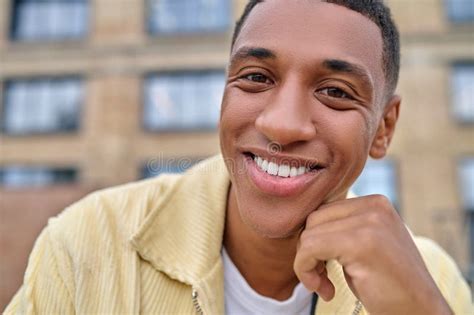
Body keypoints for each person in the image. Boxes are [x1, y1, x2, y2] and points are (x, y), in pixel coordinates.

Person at [5, 0, 473, 314]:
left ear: (384, 127)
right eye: (256, 78)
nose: (282, 124)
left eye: (335, 92)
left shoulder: (429, 281)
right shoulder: (88, 242)